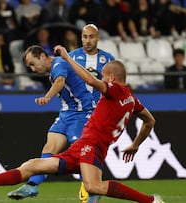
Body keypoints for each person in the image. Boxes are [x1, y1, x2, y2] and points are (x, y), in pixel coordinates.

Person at [0, 45, 165, 203]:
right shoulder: (132, 99)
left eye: (105, 77)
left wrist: (69, 57)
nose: (103, 80)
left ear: (112, 77)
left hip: (93, 144)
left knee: (93, 186)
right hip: (83, 147)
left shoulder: (115, 90)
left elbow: (90, 80)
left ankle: (151, 201)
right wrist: (135, 144)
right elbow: (150, 120)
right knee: (31, 165)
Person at [10, 24, 114, 203]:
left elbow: (59, 81)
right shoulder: (70, 58)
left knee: (83, 153)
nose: (33, 70)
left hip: (83, 112)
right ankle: (33, 185)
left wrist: (47, 97)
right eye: (84, 37)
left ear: (43, 56)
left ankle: (93, 188)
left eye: (33, 65)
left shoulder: (60, 63)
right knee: (49, 148)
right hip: (66, 113)